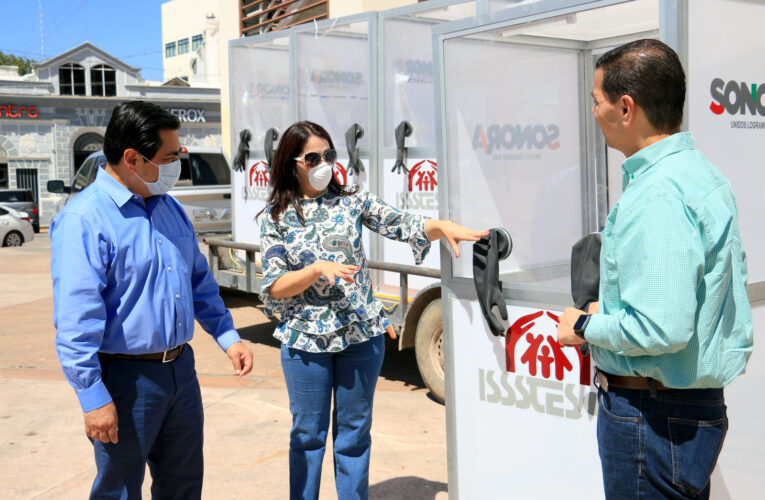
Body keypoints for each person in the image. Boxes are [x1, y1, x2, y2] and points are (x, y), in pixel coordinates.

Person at [556, 39, 752, 499]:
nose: (593, 111)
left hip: (652, 416)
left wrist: (585, 325)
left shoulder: (659, 193)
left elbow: (662, 329)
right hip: (673, 413)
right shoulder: (697, 174)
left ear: (627, 108)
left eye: (596, 100)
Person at [257, 121, 486, 500]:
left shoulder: (353, 202)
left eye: (329, 155)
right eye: (312, 157)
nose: (324, 163)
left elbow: (403, 224)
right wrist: (315, 270)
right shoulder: (276, 218)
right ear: (291, 163)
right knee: (307, 437)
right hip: (305, 343)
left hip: (360, 338)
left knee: (354, 435)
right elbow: (275, 287)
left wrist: (440, 225)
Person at [51, 101, 253, 499]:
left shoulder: (169, 208)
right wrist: (93, 397)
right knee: (120, 490)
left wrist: (228, 336)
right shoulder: (85, 219)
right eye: (169, 157)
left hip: (180, 371)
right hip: (126, 381)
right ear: (132, 158)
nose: (176, 165)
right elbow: (77, 320)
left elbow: (199, 281)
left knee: (183, 484)